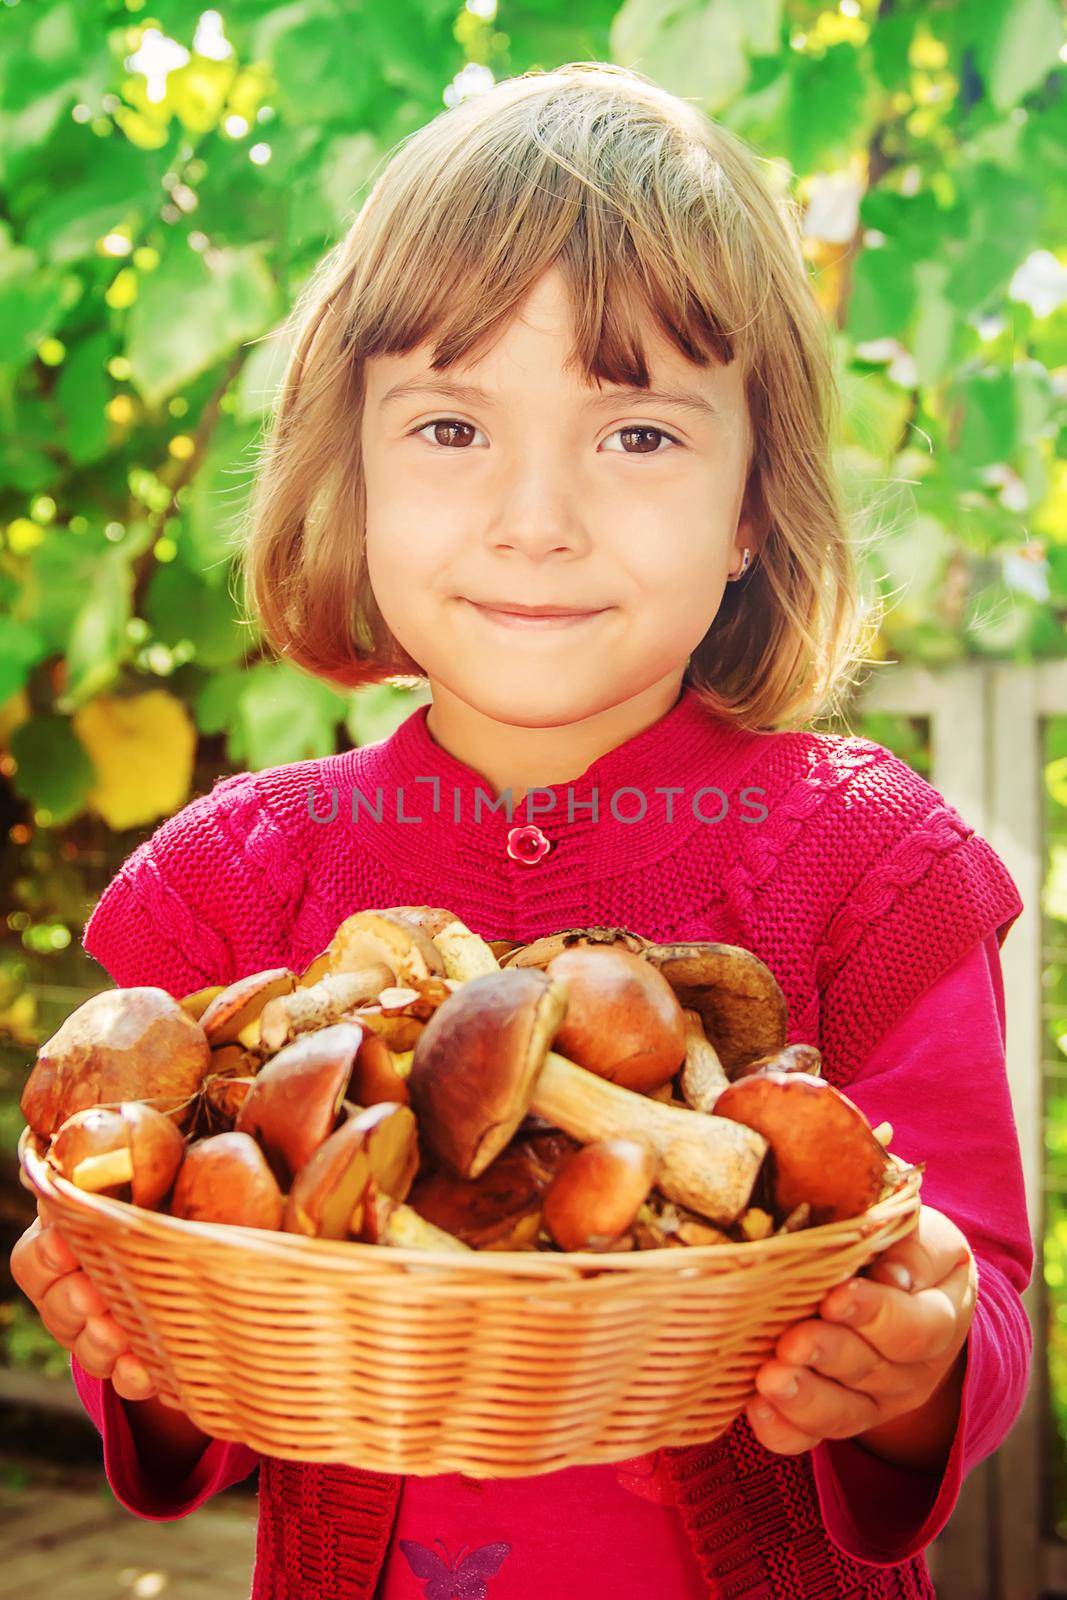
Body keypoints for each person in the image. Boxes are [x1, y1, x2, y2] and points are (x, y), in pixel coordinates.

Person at [10, 60, 1032, 1600]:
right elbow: (197, 1392)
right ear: (351, 469)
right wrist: (142, 1354)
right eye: (448, 427)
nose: (535, 514)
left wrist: (919, 1365)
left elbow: (980, 1283)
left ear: (756, 500)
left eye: (638, 436)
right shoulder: (238, 892)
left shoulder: (867, 870)